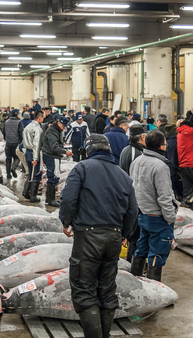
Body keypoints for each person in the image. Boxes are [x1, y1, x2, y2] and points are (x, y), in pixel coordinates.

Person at [59, 134, 138, 338]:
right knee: (106, 288)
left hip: (88, 236)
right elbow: (132, 210)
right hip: (113, 237)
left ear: (88, 151)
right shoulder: (123, 175)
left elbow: (68, 198)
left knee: (84, 289)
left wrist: (66, 221)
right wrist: (124, 234)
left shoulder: (82, 168)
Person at [129, 130, 179, 282]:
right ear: (161, 146)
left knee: (141, 248)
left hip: (143, 214)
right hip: (158, 217)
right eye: (165, 144)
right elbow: (164, 196)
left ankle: (134, 282)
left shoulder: (137, 161)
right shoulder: (160, 166)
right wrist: (170, 218)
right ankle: (155, 289)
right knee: (158, 253)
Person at [119, 124, 147, 263]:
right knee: (136, 236)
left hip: (128, 197)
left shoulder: (126, 149)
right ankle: (133, 265)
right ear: (142, 137)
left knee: (133, 235)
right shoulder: (136, 154)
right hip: (133, 199)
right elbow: (135, 179)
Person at [42, 116, 73, 206]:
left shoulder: (57, 130)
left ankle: (49, 198)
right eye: (64, 126)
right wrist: (65, 152)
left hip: (54, 156)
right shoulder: (52, 131)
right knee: (53, 178)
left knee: (54, 177)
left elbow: (58, 143)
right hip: (51, 156)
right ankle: (51, 200)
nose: (64, 128)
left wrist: (63, 148)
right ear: (59, 123)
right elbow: (54, 147)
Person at [22, 111, 44, 202]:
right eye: (42, 118)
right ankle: (33, 197)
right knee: (36, 174)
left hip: (27, 152)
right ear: (39, 118)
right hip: (34, 152)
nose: (43, 119)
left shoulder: (27, 127)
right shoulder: (38, 129)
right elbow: (36, 144)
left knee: (30, 172)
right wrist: (36, 158)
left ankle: (26, 192)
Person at [4, 109, 23, 179]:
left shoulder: (6, 122)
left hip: (8, 143)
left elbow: (4, 132)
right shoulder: (19, 122)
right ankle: (13, 168)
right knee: (17, 157)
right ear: (17, 114)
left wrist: (7, 139)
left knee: (8, 159)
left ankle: (8, 174)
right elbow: (21, 133)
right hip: (16, 143)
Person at [165, 124, 183, 201]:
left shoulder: (166, 142)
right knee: (180, 190)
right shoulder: (179, 141)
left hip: (169, 168)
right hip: (177, 169)